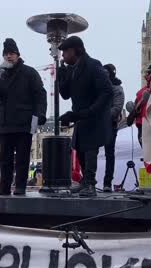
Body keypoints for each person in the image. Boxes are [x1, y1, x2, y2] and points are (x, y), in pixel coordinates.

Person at [0, 38, 47, 196]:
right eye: (6, 54)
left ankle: (20, 187)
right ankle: (4, 187)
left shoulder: (29, 73)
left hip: (25, 122)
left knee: (22, 158)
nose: (9, 56)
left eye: (12, 53)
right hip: (6, 123)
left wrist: (40, 114)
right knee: (5, 159)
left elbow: (40, 95)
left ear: (17, 55)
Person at [58, 36, 113, 197]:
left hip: (93, 116)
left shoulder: (93, 65)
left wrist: (92, 111)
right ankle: (84, 182)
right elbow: (65, 95)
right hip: (80, 116)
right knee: (80, 149)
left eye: (65, 52)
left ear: (75, 50)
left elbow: (107, 91)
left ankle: (90, 183)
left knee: (90, 150)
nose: (63, 57)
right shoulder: (72, 69)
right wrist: (62, 77)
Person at [102, 64, 125, 192]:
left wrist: (99, 115)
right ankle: (89, 180)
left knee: (109, 153)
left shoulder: (117, 89)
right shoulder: (99, 88)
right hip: (99, 123)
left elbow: (116, 109)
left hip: (109, 124)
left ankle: (107, 182)